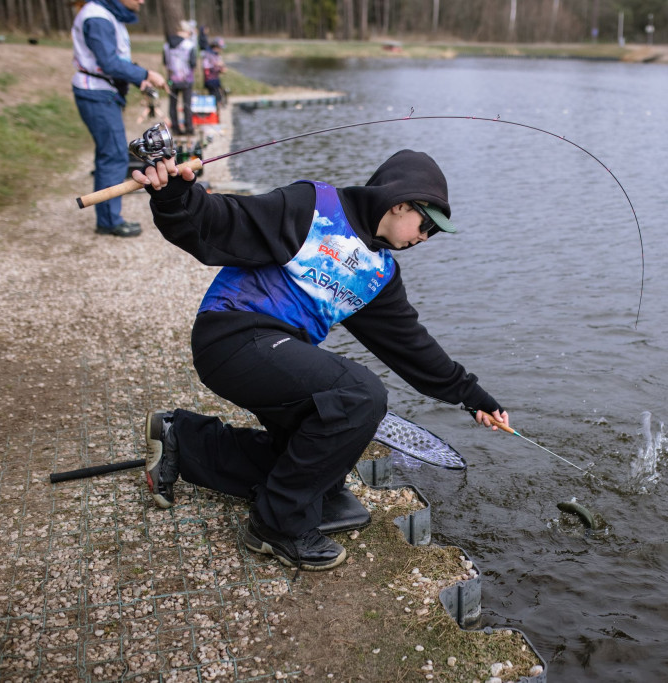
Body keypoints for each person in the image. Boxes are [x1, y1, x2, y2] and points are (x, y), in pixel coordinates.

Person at [132, 150, 511, 571]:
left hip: (279, 352)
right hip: (231, 335)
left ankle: (184, 440)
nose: (425, 237)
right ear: (400, 203)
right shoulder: (312, 206)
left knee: (314, 466)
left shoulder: (379, 274)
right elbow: (220, 222)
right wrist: (175, 196)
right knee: (361, 394)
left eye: (434, 233)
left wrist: (473, 396)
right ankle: (276, 527)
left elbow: (413, 347)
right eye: (426, 225)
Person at [71, 0, 167, 237]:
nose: (142, 1)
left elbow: (115, 60)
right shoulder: (97, 17)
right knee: (113, 155)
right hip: (97, 94)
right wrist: (146, 74)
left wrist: (138, 79)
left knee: (109, 153)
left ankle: (107, 217)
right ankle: (109, 221)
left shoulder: (106, 14)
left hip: (103, 93)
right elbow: (109, 63)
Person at [163, 21, 196, 135]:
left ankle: (175, 128)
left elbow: (165, 62)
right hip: (186, 80)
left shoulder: (167, 45)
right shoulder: (189, 45)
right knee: (187, 104)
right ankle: (189, 128)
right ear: (186, 32)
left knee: (172, 104)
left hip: (172, 79)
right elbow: (193, 63)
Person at [202, 37, 226, 109]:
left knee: (219, 95)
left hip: (216, 79)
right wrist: (216, 64)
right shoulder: (207, 54)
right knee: (215, 96)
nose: (221, 49)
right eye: (220, 47)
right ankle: (214, 110)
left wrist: (221, 69)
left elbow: (220, 67)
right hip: (210, 79)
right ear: (215, 46)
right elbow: (205, 66)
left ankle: (217, 109)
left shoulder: (217, 55)